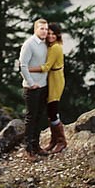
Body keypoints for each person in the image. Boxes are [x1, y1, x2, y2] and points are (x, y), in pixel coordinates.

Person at [29, 22, 66, 154]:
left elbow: (46, 67)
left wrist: (28, 69)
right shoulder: (50, 45)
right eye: (48, 33)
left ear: (57, 35)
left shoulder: (56, 47)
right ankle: (54, 140)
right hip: (51, 78)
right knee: (50, 111)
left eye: (53, 34)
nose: (50, 36)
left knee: (52, 110)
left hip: (56, 80)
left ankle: (61, 141)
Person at [19, 18, 49, 160]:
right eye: (41, 28)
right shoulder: (29, 44)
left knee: (39, 117)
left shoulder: (45, 44)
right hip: (32, 88)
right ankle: (28, 149)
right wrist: (31, 83)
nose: (44, 31)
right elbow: (23, 66)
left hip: (43, 86)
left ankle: (36, 145)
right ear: (35, 29)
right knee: (30, 118)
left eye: (46, 29)